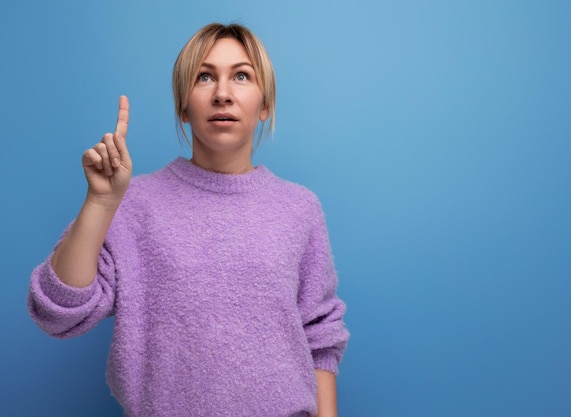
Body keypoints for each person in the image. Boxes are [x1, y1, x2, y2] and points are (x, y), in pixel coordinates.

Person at [27, 23, 349, 417]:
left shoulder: (299, 209)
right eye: (205, 77)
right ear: (183, 104)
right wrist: (100, 202)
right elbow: (58, 312)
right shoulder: (133, 205)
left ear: (265, 104)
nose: (223, 94)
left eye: (242, 76)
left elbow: (320, 336)